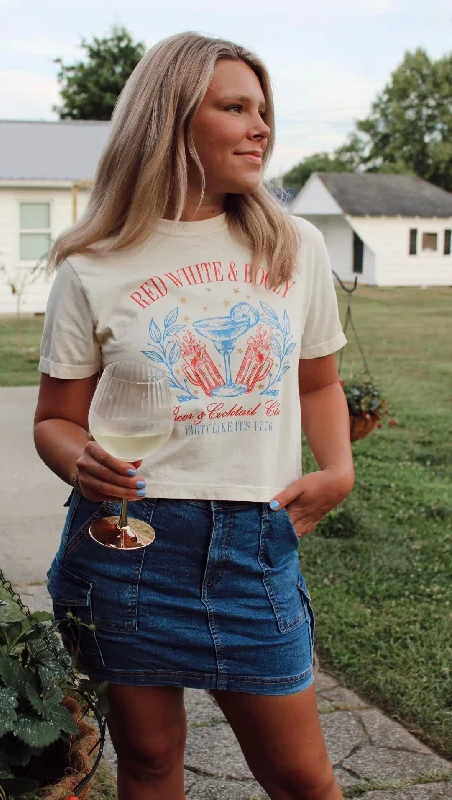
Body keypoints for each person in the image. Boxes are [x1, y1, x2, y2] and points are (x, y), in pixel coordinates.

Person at [34, 31, 354, 800]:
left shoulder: (293, 245)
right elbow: (55, 419)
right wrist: (75, 456)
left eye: (263, 109)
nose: (260, 127)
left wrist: (338, 469)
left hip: (252, 546)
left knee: (302, 778)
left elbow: (317, 383)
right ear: (172, 119)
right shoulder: (92, 263)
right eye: (235, 107)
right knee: (146, 763)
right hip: (128, 543)